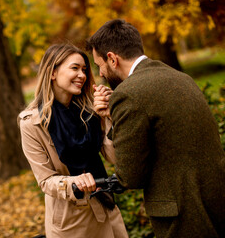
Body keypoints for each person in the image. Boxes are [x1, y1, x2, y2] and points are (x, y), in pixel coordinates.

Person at [86, 19, 225, 238]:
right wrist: (115, 116)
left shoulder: (128, 94)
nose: (101, 73)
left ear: (112, 59)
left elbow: (130, 176)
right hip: (215, 200)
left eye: (99, 65)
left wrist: (111, 122)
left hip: (182, 217)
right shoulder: (180, 77)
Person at [18, 43, 128, 238]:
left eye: (84, 70)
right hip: (71, 222)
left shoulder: (89, 112)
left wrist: (107, 117)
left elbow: (114, 157)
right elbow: (45, 181)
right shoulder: (32, 124)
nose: (82, 75)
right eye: (74, 68)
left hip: (106, 210)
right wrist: (73, 183)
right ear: (52, 72)